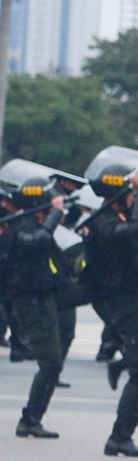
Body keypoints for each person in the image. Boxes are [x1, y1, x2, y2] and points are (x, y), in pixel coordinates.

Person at [82, 165, 138, 457]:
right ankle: (120, 437)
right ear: (120, 194)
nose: (135, 197)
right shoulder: (105, 223)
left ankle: (121, 433)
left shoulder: (115, 215)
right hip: (124, 302)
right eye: (129, 193)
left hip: (135, 297)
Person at [3, 179, 68, 438]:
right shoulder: (17, 225)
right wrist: (55, 215)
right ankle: (30, 419)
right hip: (30, 301)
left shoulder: (30, 222)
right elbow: (36, 242)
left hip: (45, 294)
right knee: (51, 363)